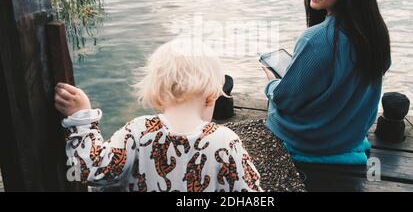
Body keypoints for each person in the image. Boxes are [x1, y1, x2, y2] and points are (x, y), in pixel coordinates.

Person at [55, 38, 262, 191]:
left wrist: (82, 118)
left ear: (158, 95)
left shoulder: (137, 132)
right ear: (211, 96)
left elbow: (91, 170)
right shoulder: (226, 141)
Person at [261, 0, 391, 164]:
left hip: (311, 141)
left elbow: (286, 100)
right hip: (349, 137)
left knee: (274, 99)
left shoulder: (316, 39)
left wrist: (272, 83)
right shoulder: (375, 31)